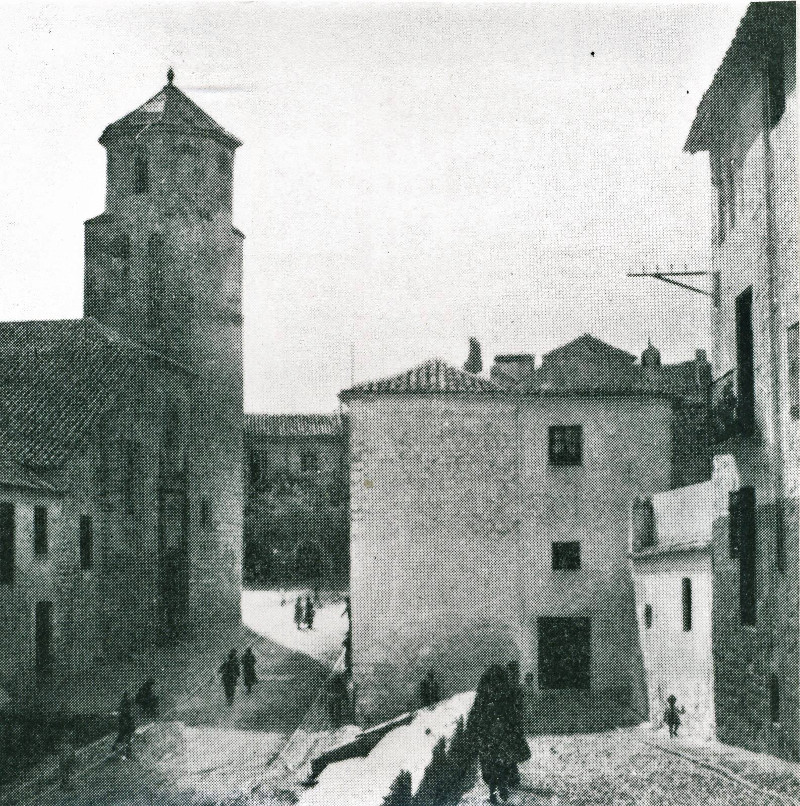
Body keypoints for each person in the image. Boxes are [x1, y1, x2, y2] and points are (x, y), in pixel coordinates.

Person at [469, 664, 528, 804]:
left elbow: (477, 713)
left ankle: (497, 791)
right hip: (500, 735)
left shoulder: (488, 694)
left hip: (491, 735)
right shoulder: (506, 693)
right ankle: (501, 789)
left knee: (493, 765)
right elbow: (513, 714)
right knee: (500, 763)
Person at [112, 693, 135, 759]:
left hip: (125, 726)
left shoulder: (124, 708)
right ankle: (126, 753)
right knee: (125, 739)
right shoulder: (127, 709)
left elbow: (120, 712)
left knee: (124, 739)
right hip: (125, 726)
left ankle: (126, 753)